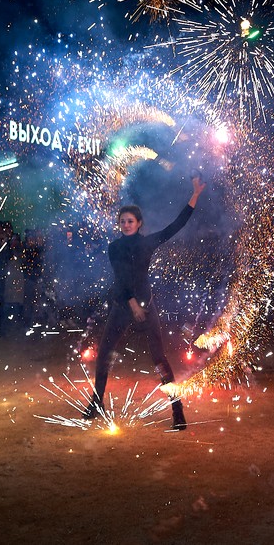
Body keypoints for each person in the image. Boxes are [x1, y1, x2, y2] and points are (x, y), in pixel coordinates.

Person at [83, 175, 206, 431]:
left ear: (139, 223)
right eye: (122, 221)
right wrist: (132, 304)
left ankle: (177, 410)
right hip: (122, 306)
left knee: (159, 359)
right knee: (104, 354)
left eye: (130, 221)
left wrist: (194, 195)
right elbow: (121, 278)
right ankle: (96, 402)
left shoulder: (147, 242)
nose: (126, 225)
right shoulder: (115, 247)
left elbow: (176, 225)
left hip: (146, 306)